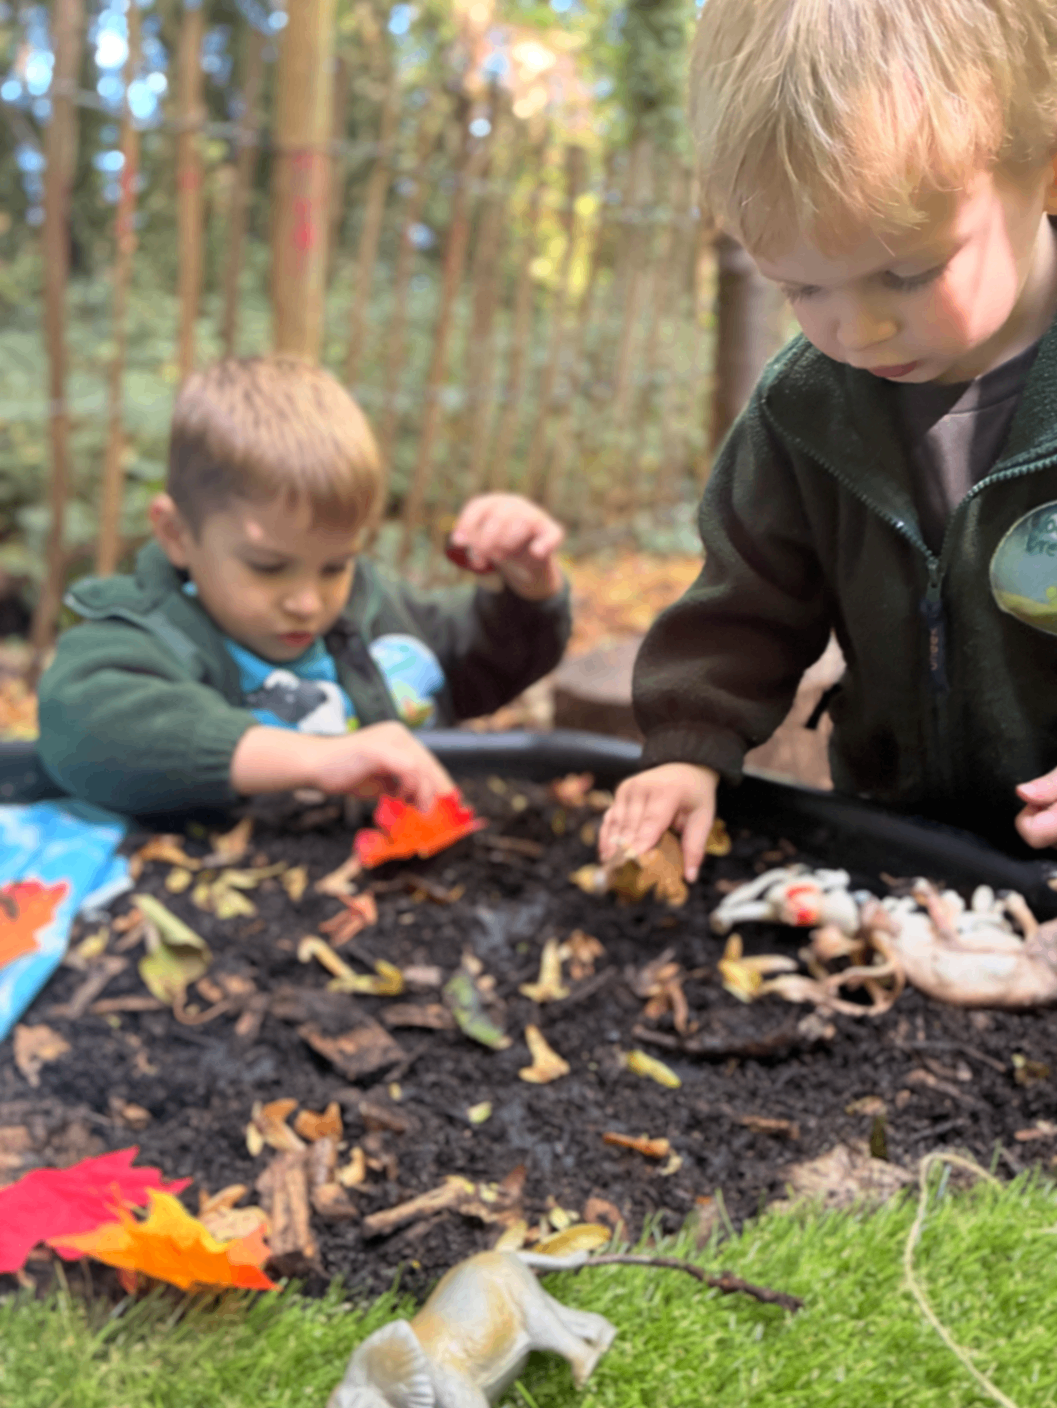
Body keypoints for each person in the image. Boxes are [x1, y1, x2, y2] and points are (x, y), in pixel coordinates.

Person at [601, 0, 1057, 879]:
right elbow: (751, 595)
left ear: (1043, 166)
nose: (856, 330)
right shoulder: (806, 409)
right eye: (801, 289)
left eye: (906, 271)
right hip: (896, 842)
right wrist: (690, 742)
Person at [37, 357, 570, 816]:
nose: (308, 602)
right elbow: (86, 726)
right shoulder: (147, 633)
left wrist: (529, 589)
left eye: (336, 566)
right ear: (176, 534)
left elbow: (484, 656)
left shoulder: (379, 609)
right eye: (268, 568)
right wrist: (313, 759)